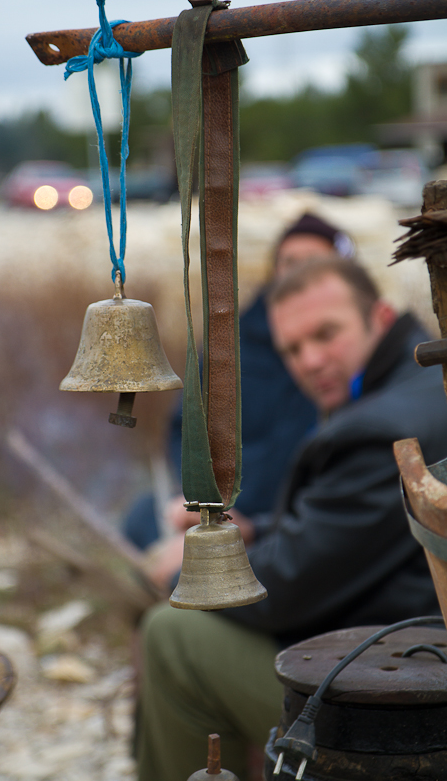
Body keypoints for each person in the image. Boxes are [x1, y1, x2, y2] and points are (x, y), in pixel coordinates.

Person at [136, 257, 447, 781]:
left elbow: (289, 586)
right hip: (404, 657)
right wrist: (254, 530)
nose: (311, 360)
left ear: (382, 316)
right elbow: (340, 533)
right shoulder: (420, 386)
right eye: (293, 349)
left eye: (327, 334)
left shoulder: (379, 429)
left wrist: (180, 575)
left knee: (173, 635)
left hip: (402, 707)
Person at [124, 213, 354, 552]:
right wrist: (203, 499)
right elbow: (187, 429)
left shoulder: (352, 351)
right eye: (291, 262)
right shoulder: (229, 343)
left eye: (316, 262)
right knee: (141, 519)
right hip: (228, 512)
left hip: (303, 522)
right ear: (274, 270)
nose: (301, 273)